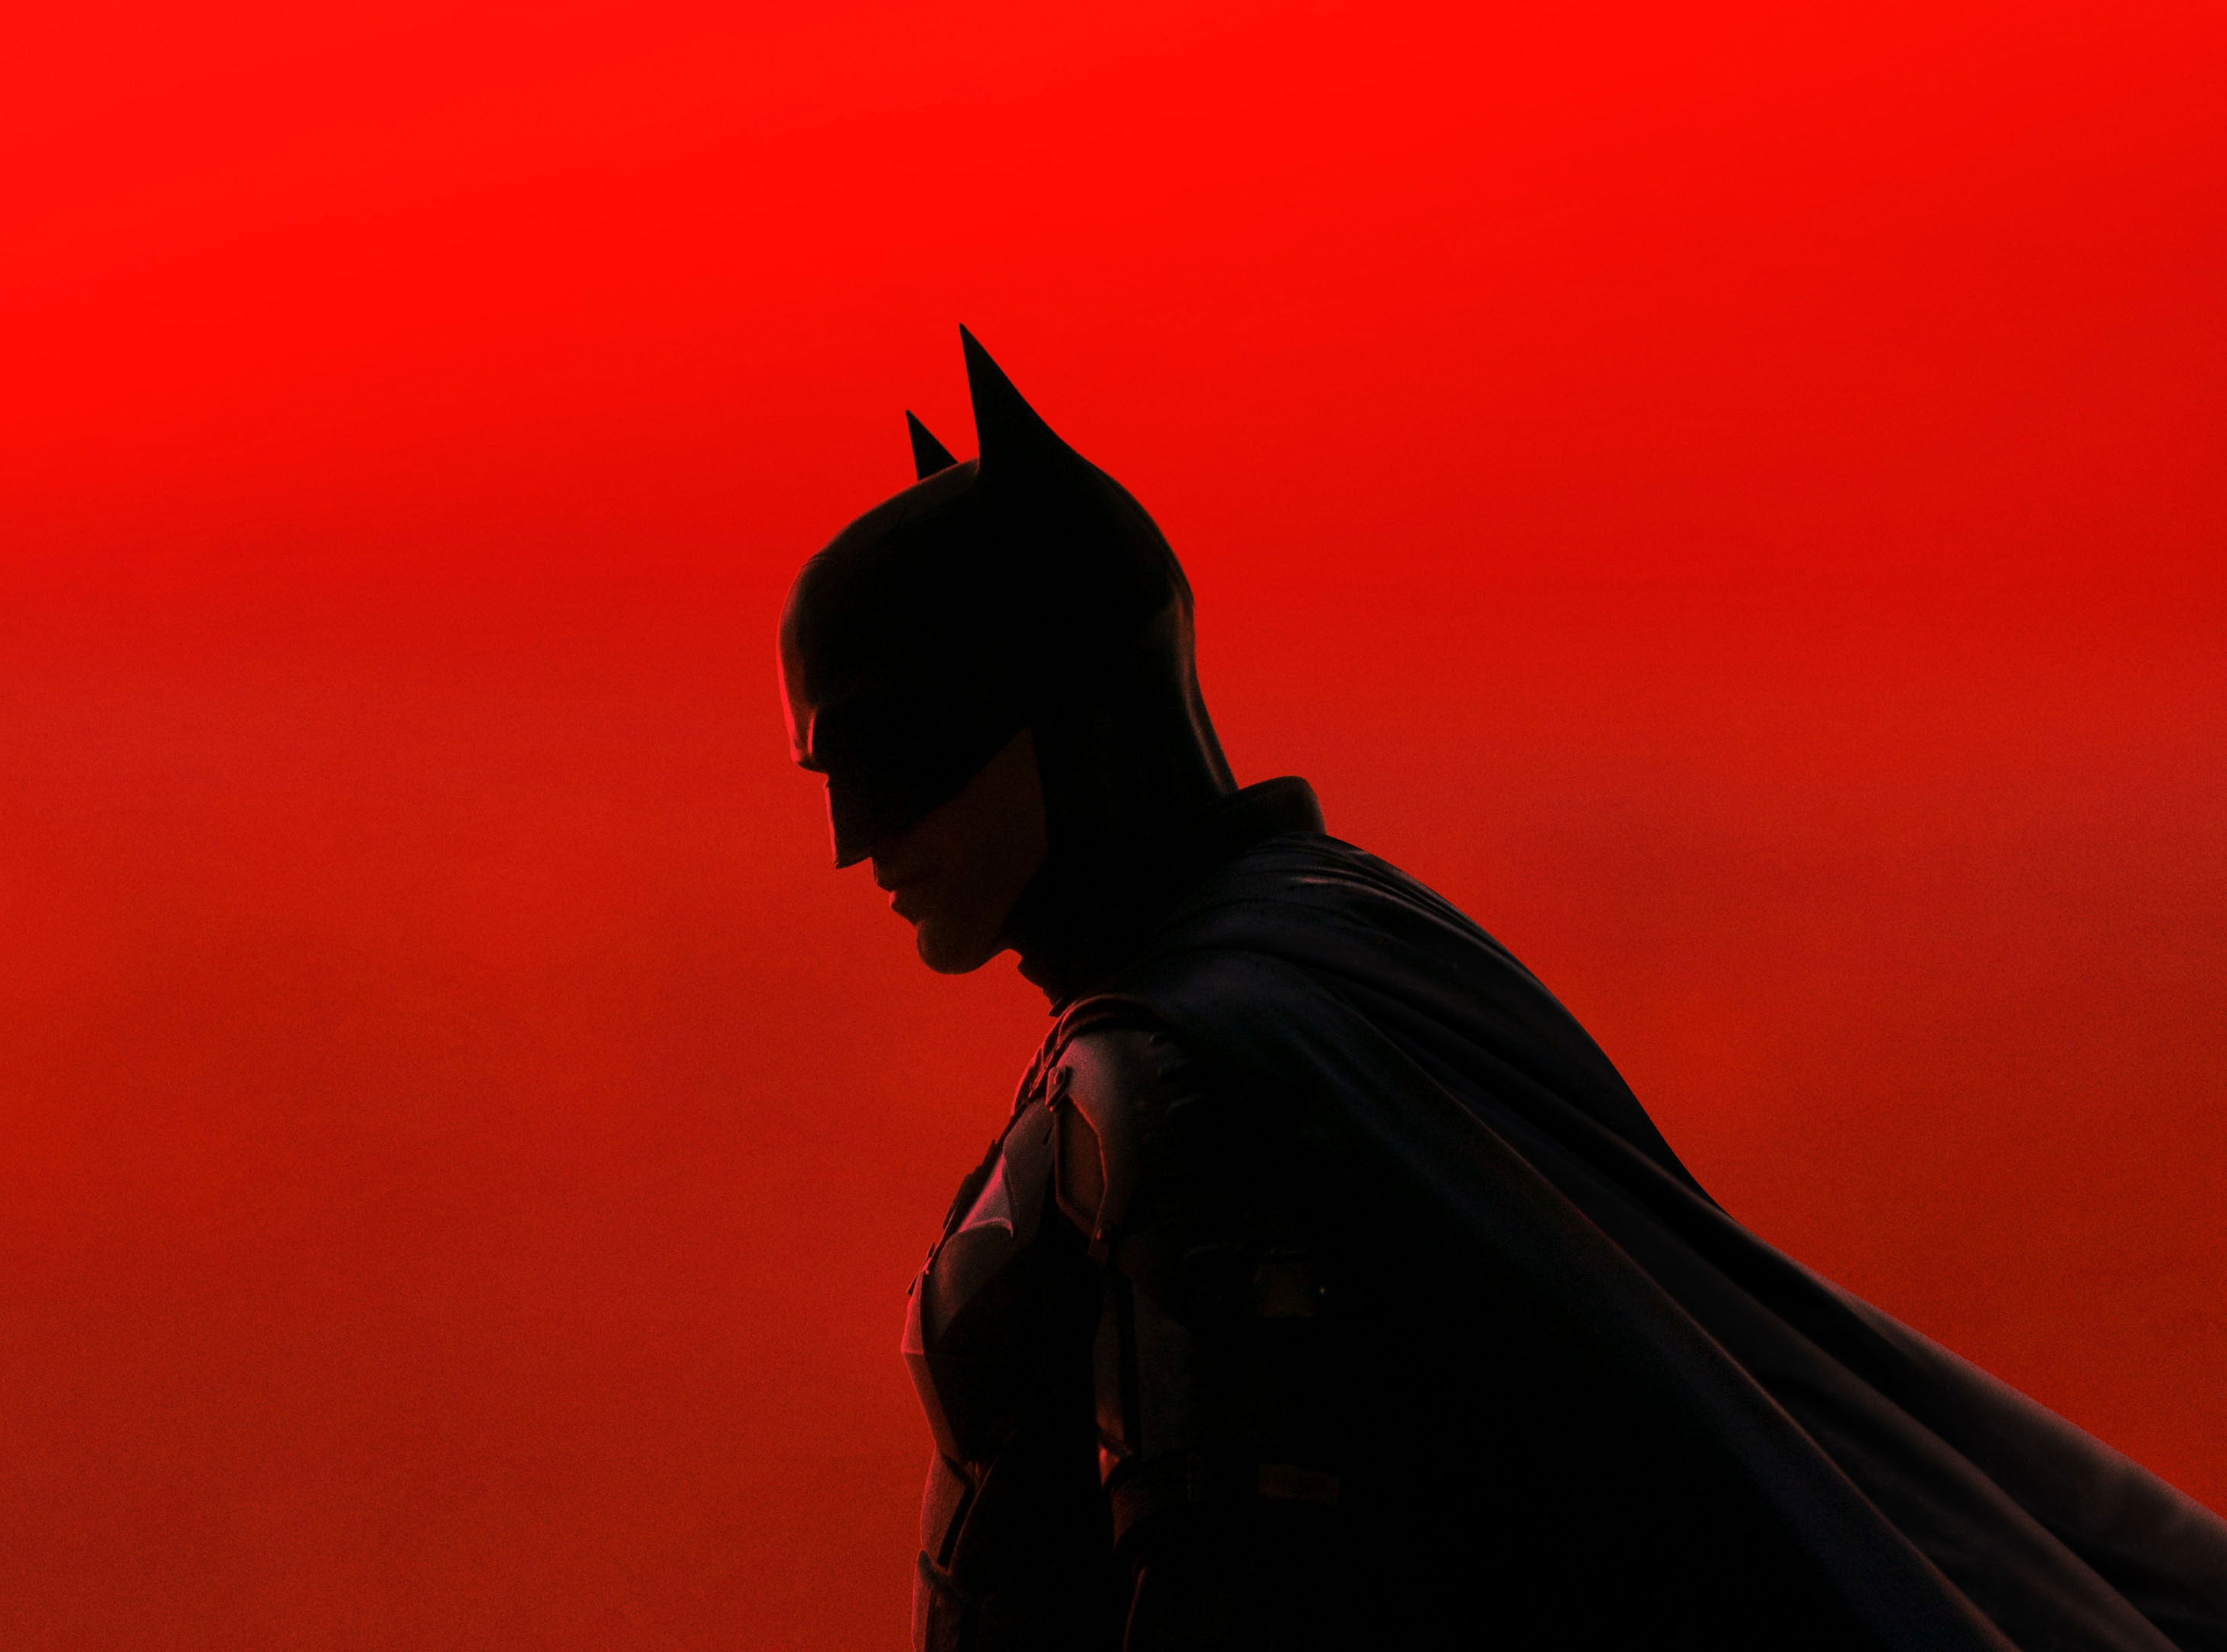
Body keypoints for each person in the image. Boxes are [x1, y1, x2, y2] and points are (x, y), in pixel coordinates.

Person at [777, 329, 2227, 1651]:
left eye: (905, 762)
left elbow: (1238, 1578)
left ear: (1063, 713)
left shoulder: (1176, 1073)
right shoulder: (1335, 946)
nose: (862, 843)